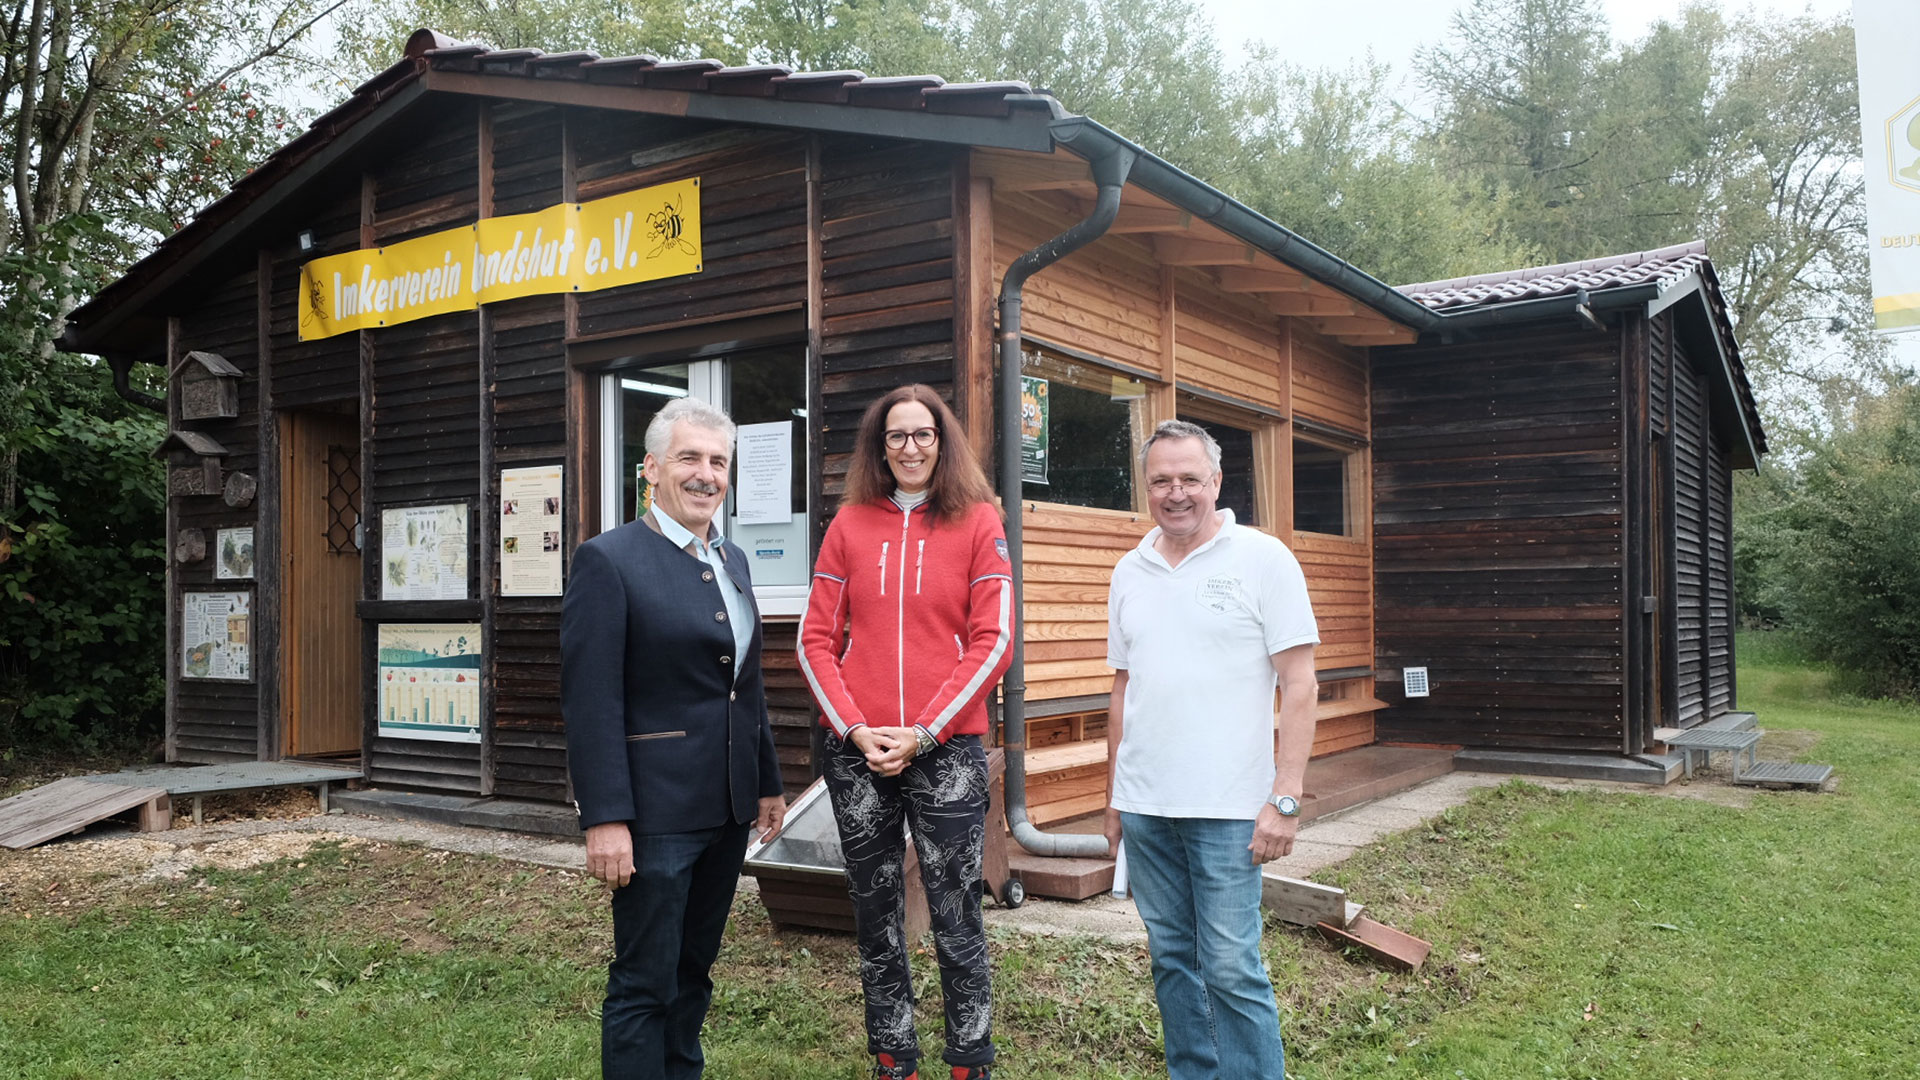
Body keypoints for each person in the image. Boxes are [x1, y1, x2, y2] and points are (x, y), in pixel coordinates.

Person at [561, 396, 788, 1080]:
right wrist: (605, 819)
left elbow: (743, 686)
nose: (706, 474)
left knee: (693, 972)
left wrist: (769, 781)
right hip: (654, 815)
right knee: (645, 981)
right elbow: (590, 699)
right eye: (690, 457)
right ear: (652, 468)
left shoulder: (733, 558)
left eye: (719, 461)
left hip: (724, 810)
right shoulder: (609, 560)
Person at [798, 384, 1013, 1080]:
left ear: (943, 443)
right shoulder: (849, 525)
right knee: (875, 910)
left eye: (923, 435)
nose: (911, 447)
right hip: (857, 751)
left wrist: (923, 731)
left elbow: (995, 639)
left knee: (957, 911)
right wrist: (857, 729)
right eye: (897, 436)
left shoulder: (980, 521)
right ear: (879, 447)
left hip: (946, 749)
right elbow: (814, 640)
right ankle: (895, 1058)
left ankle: (969, 1060)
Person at [1102, 419, 1320, 1080]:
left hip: (1230, 810)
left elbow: (1301, 683)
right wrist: (1114, 798)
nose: (1176, 493)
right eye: (1161, 480)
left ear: (1217, 483)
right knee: (1171, 959)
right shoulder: (1129, 570)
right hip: (1146, 807)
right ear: (1147, 487)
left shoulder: (1263, 558)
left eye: (1189, 479)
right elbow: (1123, 689)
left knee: (1230, 967)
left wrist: (1285, 798)